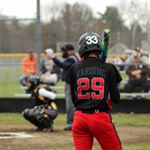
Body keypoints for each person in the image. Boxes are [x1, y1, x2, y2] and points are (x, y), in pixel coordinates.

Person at [64, 32, 122, 150]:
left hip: (79, 118)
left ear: (81, 48)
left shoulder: (74, 68)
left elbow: (74, 100)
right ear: (99, 48)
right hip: (100, 117)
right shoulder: (109, 68)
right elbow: (116, 98)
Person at [49, 44, 79, 130]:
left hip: (71, 84)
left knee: (70, 103)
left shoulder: (72, 58)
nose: (63, 52)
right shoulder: (74, 57)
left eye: (64, 51)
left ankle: (71, 123)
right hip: (73, 83)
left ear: (70, 51)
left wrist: (53, 58)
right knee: (72, 103)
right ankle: (73, 122)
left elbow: (62, 65)